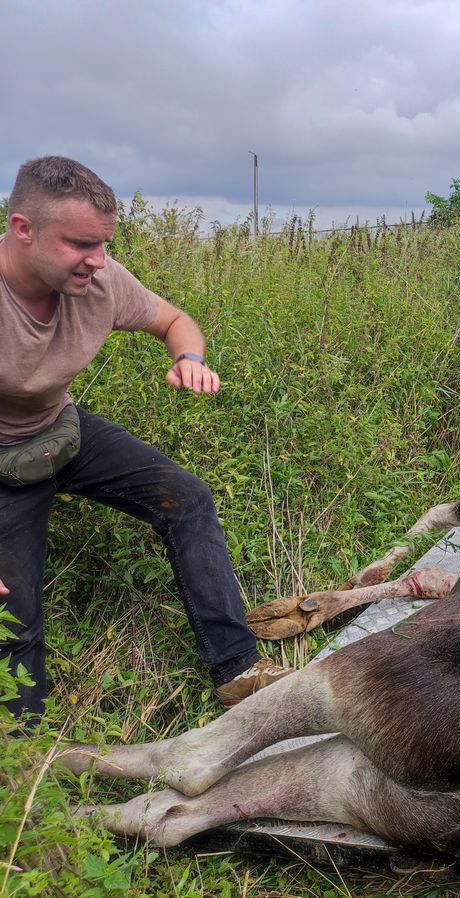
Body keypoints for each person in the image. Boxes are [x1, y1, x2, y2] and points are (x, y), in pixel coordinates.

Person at [0, 156, 291, 723]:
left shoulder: (99, 280)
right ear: (22, 228)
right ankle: (24, 760)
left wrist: (189, 357)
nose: (98, 261)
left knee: (186, 499)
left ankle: (239, 671)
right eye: (81, 243)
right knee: (14, 619)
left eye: (104, 244)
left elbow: (174, 319)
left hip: (61, 431)